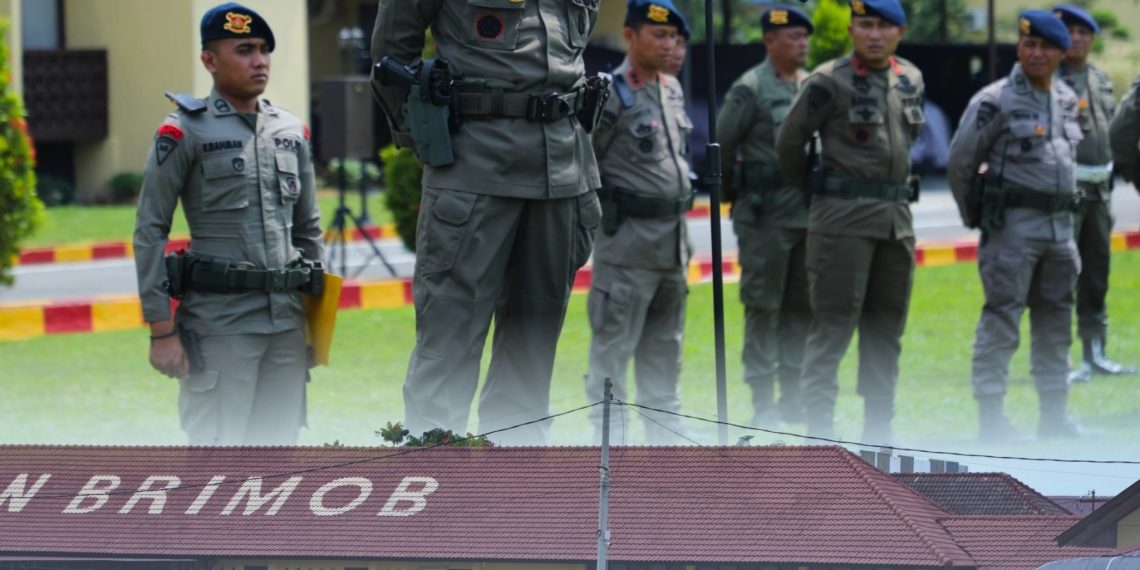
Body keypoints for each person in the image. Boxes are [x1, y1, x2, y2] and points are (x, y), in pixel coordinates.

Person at [370, 0, 603, 445]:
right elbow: (391, 55)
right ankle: (434, 475)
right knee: (448, 343)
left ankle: (514, 475)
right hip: (473, 168)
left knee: (533, 348)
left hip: (563, 171)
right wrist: (425, 136)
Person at [134, 2, 324, 445]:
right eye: (244, 50)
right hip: (221, 326)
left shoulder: (290, 131)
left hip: (287, 325)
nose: (259, 61)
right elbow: (150, 230)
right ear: (209, 60)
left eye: (263, 50)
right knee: (217, 460)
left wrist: (318, 326)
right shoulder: (184, 131)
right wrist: (161, 330)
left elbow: (309, 231)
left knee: (278, 461)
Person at [776, 0, 924, 445]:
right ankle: (820, 433)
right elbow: (789, 143)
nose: (874, 34)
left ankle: (879, 431)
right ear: (851, 30)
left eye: (883, 26)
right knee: (832, 328)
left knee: (886, 329)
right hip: (842, 222)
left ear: (900, 32)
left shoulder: (910, 78)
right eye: (865, 25)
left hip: (896, 222)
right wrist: (821, 191)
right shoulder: (828, 80)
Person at [947, 11, 1089, 442]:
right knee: (1002, 320)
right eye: (1029, 44)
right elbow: (960, 162)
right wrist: (976, 215)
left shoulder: (1066, 99)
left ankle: (1054, 418)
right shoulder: (995, 100)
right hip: (1012, 230)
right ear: (1019, 48)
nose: (1036, 53)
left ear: (1062, 52)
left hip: (1060, 230)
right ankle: (992, 422)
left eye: (1046, 46)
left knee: (1057, 322)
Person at [585, 0, 693, 444]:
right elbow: (586, 164)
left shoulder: (671, 89)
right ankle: (611, 457)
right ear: (629, 36)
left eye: (675, 37)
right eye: (659, 35)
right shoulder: (610, 93)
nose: (670, 45)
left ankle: (666, 456)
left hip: (671, 247)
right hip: (627, 249)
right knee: (612, 358)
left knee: (665, 355)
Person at [717, 6, 813, 427]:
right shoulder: (750, 87)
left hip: (807, 216)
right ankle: (762, 400)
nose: (802, 44)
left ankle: (793, 395)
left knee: (801, 307)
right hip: (764, 217)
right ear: (770, 41)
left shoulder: (813, 85)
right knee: (763, 306)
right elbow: (721, 145)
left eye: (805, 37)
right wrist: (733, 197)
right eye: (794, 36)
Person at [1053, 5, 1136, 383]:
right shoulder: (1048, 79)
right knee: (1061, 277)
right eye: (1069, 31)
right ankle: (1058, 360)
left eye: (1084, 33)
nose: (1077, 39)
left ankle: (1095, 353)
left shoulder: (1099, 79)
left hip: (1100, 192)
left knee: (1097, 276)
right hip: (1066, 192)